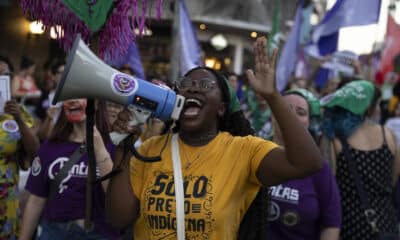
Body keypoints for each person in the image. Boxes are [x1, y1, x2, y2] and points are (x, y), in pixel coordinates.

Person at [105, 37, 322, 239]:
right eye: (185, 85)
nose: (192, 91)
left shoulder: (244, 151)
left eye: (205, 86)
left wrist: (273, 96)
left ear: (221, 108)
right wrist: (124, 147)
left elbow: (307, 163)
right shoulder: (149, 150)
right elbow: (118, 219)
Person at [20, 99, 119, 240]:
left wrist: (100, 149)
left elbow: (115, 197)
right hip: (54, 232)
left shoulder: (114, 146)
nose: (73, 101)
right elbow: (36, 199)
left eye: (80, 95)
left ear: (97, 104)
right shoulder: (50, 147)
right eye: (69, 96)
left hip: (97, 233)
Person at [320, 80, 399, 240]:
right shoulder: (388, 135)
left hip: (347, 224)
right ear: (370, 108)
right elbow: (394, 178)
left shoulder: (333, 137)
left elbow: (326, 186)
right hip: (385, 224)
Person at [268, 88, 341, 240]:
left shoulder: (319, 168)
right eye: (285, 109)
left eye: (301, 112)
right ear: (272, 115)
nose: (291, 116)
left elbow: (331, 224)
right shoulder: (254, 154)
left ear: (308, 123)